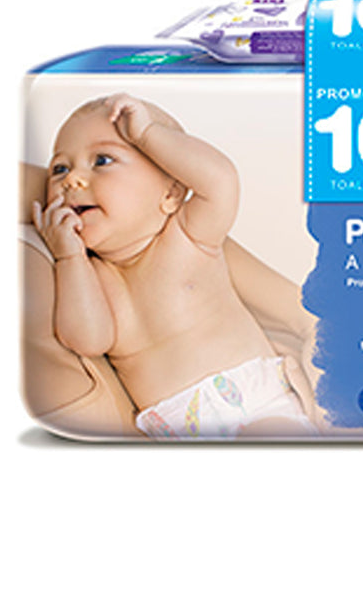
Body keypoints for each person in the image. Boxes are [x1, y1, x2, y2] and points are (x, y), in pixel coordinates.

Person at [31, 94, 320, 439]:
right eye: (59, 168)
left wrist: (147, 134)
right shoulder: (91, 274)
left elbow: (220, 180)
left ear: (170, 194)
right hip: (177, 430)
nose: (72, 180)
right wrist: (69, 257)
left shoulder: (187, 237)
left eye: (102, 161)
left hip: (259, 406)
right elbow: (87, 340)